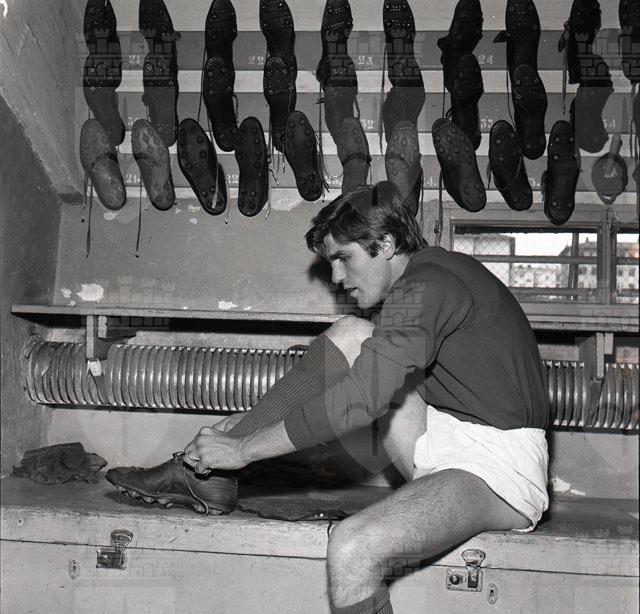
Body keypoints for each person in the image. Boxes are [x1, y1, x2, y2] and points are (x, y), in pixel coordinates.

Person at [107, 180, 549, 614]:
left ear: (386, 243)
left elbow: (360, 401)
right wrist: (243, 429)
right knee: (353, 333)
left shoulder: (426, 286)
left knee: (353, 548)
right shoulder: (424, 280)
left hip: (498, 471)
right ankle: (207, 475)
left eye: (344, 258)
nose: (337, 277)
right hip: (446, 439)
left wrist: (244, 449)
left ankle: (226, 459)